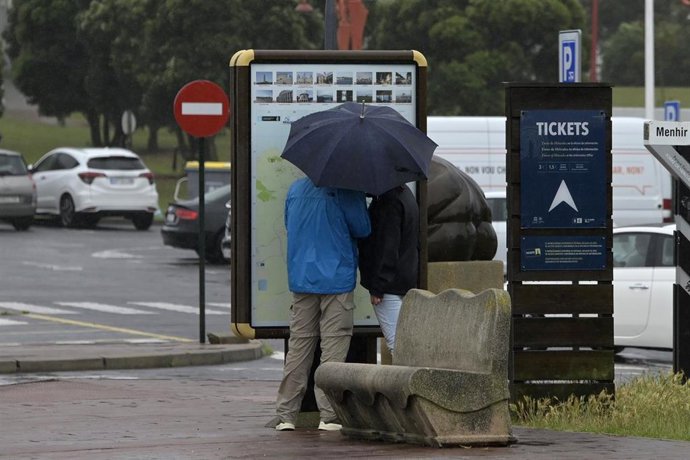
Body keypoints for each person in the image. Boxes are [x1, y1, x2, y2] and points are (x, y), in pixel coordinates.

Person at [275, 177, 371, 432]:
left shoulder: (295, 189)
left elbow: (289, 224)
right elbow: (362, 228)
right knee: (333, 347)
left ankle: (286, 415)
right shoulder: (346, 190)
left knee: (299, 345)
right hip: (336, 279)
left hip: (302, 278)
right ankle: (328, 415)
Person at [358, 184, 419, 355]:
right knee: (404, 343)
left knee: (397, 346)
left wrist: (378, 287)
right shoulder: (405, 195)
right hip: (403, 280)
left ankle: (409, 382)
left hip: (388, 286)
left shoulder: (389, 201)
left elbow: (387, 247)